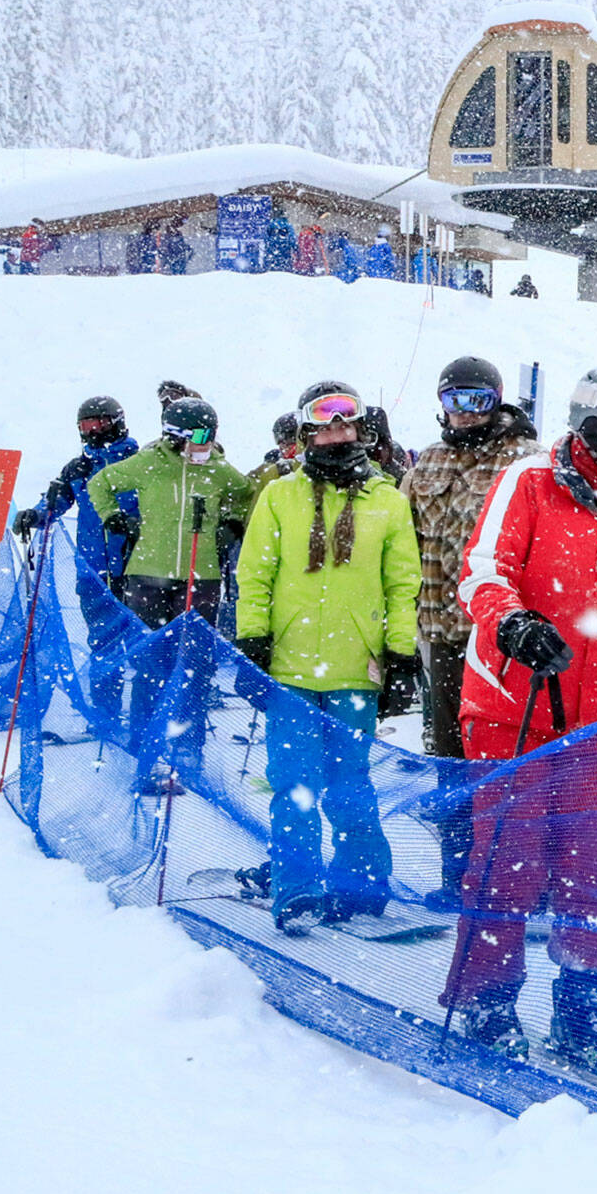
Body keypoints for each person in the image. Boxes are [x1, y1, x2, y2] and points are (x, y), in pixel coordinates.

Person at [443, 366, 597, 1070]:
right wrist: (512, 621)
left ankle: (583, 1000)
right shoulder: (530, 481)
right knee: (509, 861)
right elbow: (482, 572)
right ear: (596, 430)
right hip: (512, 705)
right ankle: (487, 999)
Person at [233, 383, 420, 932]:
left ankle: (360, 885)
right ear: (307, 433)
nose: (337, 435)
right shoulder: (279, 496)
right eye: (325, 426)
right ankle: (297, 889)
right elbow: (256, 571)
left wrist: (401, 654)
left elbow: (401, 583)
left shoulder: (387, 500)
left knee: (351, 788)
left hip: (354, 671)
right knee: (294, 788)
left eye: (346, 425)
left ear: (359, 429)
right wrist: (253, 638)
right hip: (290, 669)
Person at [399, 357, 541, 904]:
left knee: (510, 757)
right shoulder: (428, 461)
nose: (465, 413)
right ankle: (457, 875)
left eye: (477, 400)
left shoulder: (525, 461)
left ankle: (518, 881)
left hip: (502, 636)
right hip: (442, 633)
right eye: (455, 400)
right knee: (450, 756)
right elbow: (401, 537)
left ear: (497, 401)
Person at [87, 396, 253, 632]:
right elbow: (99, 483)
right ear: (176, 437)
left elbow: (245, 493)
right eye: (200, 437)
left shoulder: (217, 469)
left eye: (211, 436)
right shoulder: (150, 463)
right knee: (150, 654)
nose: (206, 445)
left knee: (195, 656)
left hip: (201, 575)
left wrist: (233, 521)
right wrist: (113, 516)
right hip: (148, 574)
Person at [11, 397, 140, 591]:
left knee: (137, 620)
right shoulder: (79, 469)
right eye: (86, 427)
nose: (93, 432)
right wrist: (35, 516)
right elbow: (55, 502)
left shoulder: (139, 464)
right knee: (98, 619)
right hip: (93, 572)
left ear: (116, 424)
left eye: (99, 425)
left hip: (135, 569)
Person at [264, 205, 296, 272]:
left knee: (271, 273)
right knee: (285, 273)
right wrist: (295, 248)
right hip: (285, 252)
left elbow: (265, 238)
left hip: (272, 251)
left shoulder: (270, 225)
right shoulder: (288, 225)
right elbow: (292, 239)